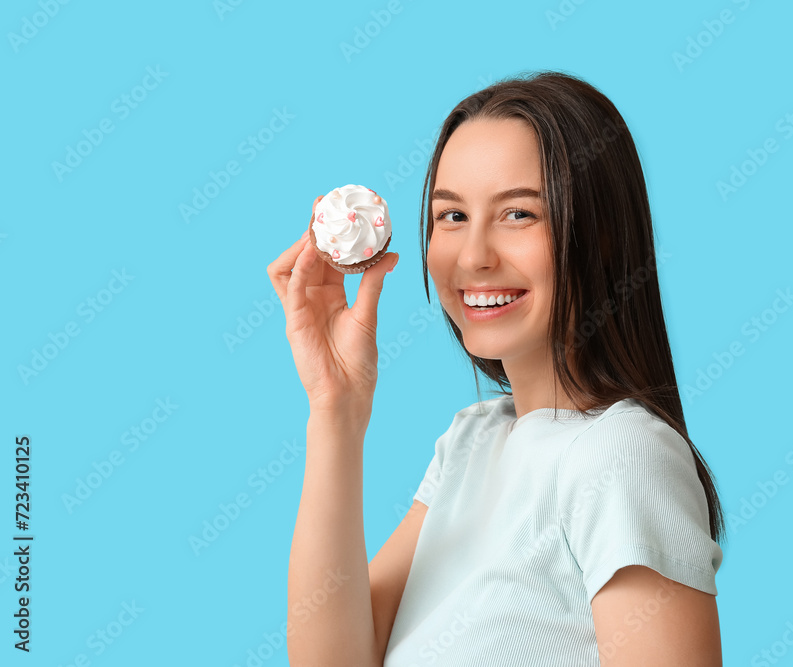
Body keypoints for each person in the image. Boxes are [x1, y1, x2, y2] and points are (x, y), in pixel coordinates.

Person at [269, 70, 726, 667]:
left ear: (599, 234)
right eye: (451, 217)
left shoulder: (622, 454)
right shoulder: (472, 441)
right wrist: (336, 408)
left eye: (518, 215)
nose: (474, 256)